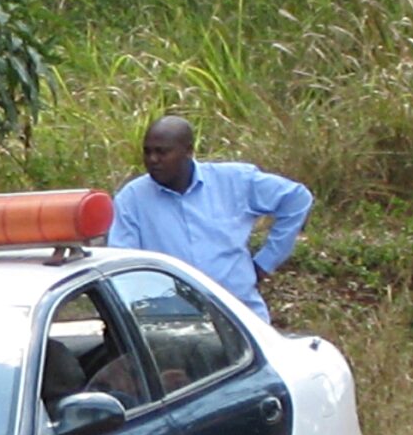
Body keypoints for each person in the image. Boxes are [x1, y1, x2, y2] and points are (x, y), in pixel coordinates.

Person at [108, 115, 312, 321]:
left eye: (162, 152)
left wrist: (265, 262)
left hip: (240, 315)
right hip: (172, 320)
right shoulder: (132, 199)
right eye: (147, 151)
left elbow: (296, 199)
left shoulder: (234, 181)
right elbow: (123, 263)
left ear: (188, 151)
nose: (153, 160)